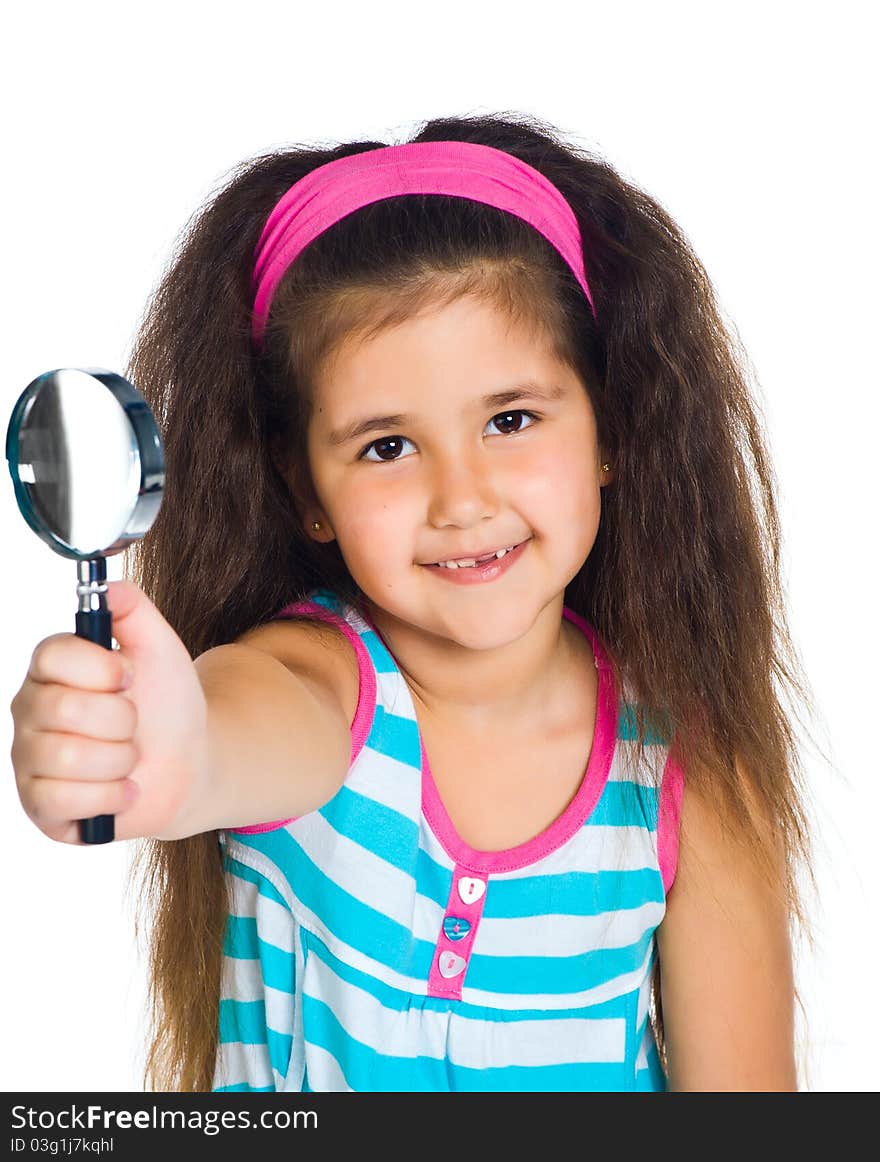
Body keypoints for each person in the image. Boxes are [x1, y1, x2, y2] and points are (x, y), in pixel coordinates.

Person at [9, 111, 818, 1093]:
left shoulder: (683, 774)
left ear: (609, 431)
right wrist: (165, 758)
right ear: (307, 490)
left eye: (510, 419)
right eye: (387, 445)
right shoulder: (321, 683)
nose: (462, 499)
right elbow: (234, 730)